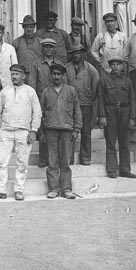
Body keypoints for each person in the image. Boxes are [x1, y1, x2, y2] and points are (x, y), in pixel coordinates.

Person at [0, 64, 42, 201]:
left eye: (17, 74)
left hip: (24, 131)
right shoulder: (5, 91)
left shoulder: (30, 92)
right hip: (6, 131)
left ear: (23, 76)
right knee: (0, 161)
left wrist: (33, 130)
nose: (14, 77)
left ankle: (19, 190)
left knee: (22, 163)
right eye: (12, 74)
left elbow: (37, 112)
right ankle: (0, 190)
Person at [40, 63, 81, 200]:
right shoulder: (46, 92)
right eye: (54, 74)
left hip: (67, 129)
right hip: (50, 129)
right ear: (51, 75)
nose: (56, 77)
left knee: (65, 160)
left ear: (63, 76)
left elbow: (77, 110)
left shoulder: (71, 91)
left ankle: (66, 189)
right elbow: (41, 113)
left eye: (59, 74)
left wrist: (77, 128)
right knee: (52, 161)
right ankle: (54, 189)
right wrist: (41, 131)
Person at [96, 56, 136, 179]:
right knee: (111, 141)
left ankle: (125, 169)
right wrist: (102, 115)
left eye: (118, 64)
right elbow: (100, 98)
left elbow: (132, 100)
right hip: (110, 112)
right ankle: (112, 169)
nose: (115, 67)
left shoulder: (127, 81)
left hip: (124, 112)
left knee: (124, 142)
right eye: (113, 64)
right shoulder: (104, 80)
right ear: (110, 66)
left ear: (122, 66)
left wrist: (132, 117)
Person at [29, 38, 67, 168]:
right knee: (43, 130)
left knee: (56, 129)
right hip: (41, 99)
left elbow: (65, 82)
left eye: (51, 47)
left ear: (54, 49)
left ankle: (57, 160)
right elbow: (32, 83)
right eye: (46, 47)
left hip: (57, 98)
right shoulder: (36, 64)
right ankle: (43, 158)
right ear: (42, 49)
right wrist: (34, 101)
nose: (48, 49)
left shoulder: (60, 63)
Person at [65, 44, 99, 165]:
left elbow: (96, 86)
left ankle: (85, 157)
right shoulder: (66, 68)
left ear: (82, 54)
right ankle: (69, 158)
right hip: (70, 105)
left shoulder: (90, 69)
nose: (76, 55)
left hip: (86, 104)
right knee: (70, 130)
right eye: (74, 53)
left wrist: (90, 100)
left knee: (86, 131)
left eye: (78, 53)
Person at [11, 15, 42, 87]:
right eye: (27, 27)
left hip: (37, 74)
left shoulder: (40, 42)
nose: (29, 29)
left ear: (34, 27)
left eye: (31, 27)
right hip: (21, 75)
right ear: (23, 27)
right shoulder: (16, 42)